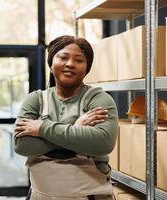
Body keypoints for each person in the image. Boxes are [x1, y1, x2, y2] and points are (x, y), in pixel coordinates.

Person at [14, 35, 118, 200]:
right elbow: (22, 145)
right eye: (63, 57)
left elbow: (102, 143)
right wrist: (76, 130)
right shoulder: (35, 99)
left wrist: (42, 128)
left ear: (87, 68)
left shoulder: (99, 99)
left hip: (89, 196)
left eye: (78, 60)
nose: (70, 64)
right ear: (51, 64)